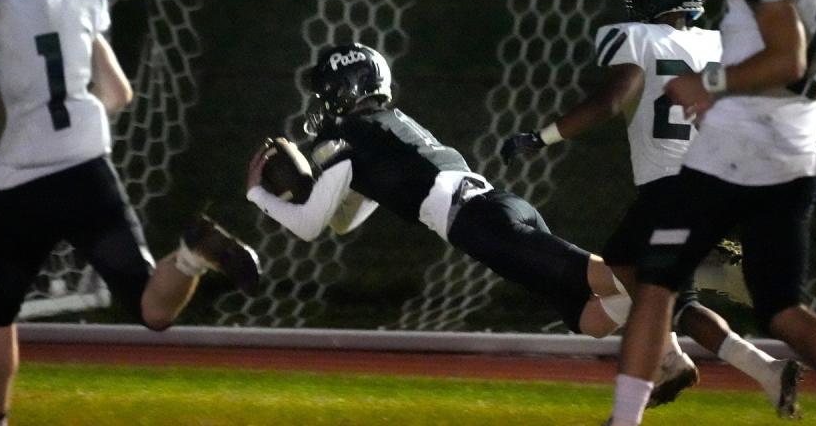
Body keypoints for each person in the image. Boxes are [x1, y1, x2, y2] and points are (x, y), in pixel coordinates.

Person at [0, 0, 260, 425]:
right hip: (88, 170)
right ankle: (189, 256)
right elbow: (117, 92)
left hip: (20, 186)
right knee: (150, 309)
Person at [501, 0, 802, 416]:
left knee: (620, 276)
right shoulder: (718, 44)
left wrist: (541, 137)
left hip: (669, 190)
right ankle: (762, 369)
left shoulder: (637, 37)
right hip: (718, 187)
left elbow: (611, 99)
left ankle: (654, 380)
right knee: (674, 298)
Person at [604, 0, 816, 425]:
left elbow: (787, 57)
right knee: (783, 309)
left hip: (730, 156)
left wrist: (708, 85)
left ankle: (624, 419)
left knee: (655, 283)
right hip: (793, 155)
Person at [247, 42, 641, 343]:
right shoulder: (384, 133)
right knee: (592, 320)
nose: (321, 103)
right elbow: (342, 222)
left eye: (326, 93)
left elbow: (310, 226)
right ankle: (667, 354)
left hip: (481, 225)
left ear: (343, 90)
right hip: (496, 209)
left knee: (619, 278)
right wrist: (334, 190)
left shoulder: (347, 137)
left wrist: (257, 193)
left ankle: (679, 280)